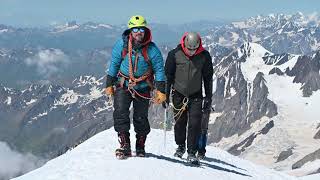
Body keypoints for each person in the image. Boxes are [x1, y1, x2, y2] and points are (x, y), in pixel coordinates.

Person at [105, 15, 166, 159]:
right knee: (120, 113)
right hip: (123, 84)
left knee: (140, 117)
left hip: (143, 87)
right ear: (131, 31)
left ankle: (140, 145)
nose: (139, 32)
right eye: (135, 29)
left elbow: (159, 70)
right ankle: (125, 144)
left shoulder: (152, 49)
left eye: (141, 29)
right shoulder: (122, 45)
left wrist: (161, 90)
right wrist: (109, 83)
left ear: (145, 31)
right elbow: (114, 63)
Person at [164, 32, 213, 164]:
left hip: (196, 95)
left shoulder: (204, 56)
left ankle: (192, 152)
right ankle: (180, 146)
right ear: (184, 44)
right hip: (178, 94)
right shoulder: (174, 54)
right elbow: (168, 76)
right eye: (189, 49)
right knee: (180, 123)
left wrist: (208, 97)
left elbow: (208, 78)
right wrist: (165, 95)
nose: (191, 52)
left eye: (194, 49)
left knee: (195, 124)